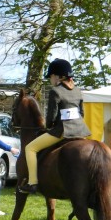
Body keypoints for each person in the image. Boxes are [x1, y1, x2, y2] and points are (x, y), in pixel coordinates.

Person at [19, 58, 91, 194]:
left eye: (51, 76)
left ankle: (32, 183)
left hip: (63, 131)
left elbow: (51, 116)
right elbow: (81, 113)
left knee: (30, 148)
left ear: (59, 77)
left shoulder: (55, 91)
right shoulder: (78, 90)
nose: (50, 79)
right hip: (81, 131)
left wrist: (49, 126)